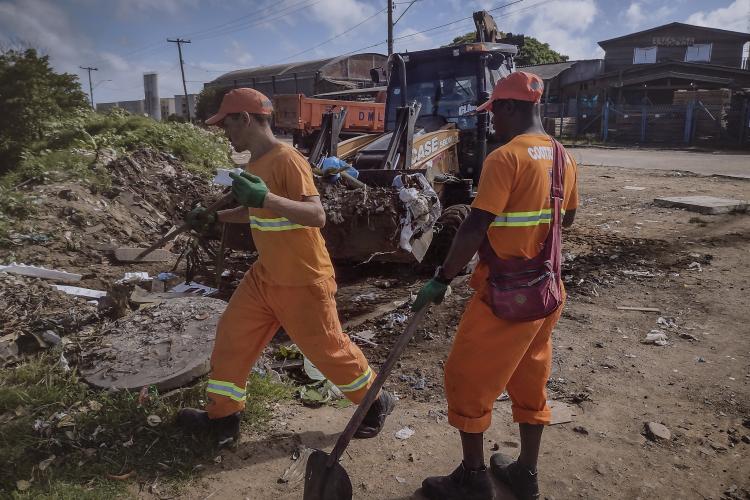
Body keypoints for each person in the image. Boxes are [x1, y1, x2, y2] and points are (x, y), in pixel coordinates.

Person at [177, 88, 394, 446]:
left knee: (328, 350)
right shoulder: (255, 163)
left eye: (226, 122)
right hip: (267, 275)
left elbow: (316, 214)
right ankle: (222, 420)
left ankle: (374, 402)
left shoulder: (287, 158)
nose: (223, 131)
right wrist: (214, 218)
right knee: (232, 338)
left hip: (303, 278)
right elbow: (256, 211)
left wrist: (266, 197)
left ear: (245, 118)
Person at [413, 72, 579, 500]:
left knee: (466, 378)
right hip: (547, 291)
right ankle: (525, 473)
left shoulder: (505, 158)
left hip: (506, 297)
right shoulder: (562, 156)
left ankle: (473, 478)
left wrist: (442, 277)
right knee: (530, 378)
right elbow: (568, 220)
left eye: (494, 114)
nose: (491, 124)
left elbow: (475, 226)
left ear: (509, 107)